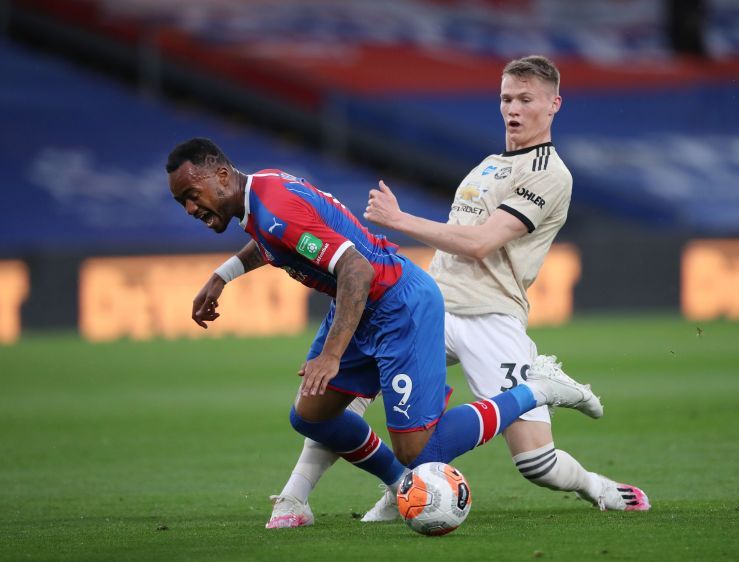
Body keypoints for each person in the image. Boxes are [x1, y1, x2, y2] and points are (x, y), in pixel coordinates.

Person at [266, 55, 649, 529]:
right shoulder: (487, 165)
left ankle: (596, 482)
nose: (513, 108)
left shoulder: (551, 173)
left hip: (492, 315)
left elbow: (480, 243)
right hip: (433, 306)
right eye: (507, 97)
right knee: (344, 389)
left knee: (537, 465)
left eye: (526, 99)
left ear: (554, 105)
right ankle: (296, 497)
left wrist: (400, 220)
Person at [165, 137, 603, 527]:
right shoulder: (259, 192)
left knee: (421, 453)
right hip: (361, 306)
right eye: (181, 200)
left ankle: (537, 389)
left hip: (399, 306)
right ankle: (398, 486)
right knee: (311, 416)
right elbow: (274, 240)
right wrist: (224, 275)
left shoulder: (274, 205)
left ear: (221, 175)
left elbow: (354, 267)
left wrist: (332, 354)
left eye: (192, 194)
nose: (189, 208)